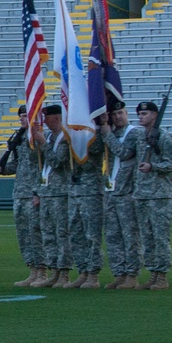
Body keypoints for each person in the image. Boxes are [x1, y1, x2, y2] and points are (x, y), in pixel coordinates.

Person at [0, 105, 45, 287]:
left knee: (36, 233)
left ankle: (42, 270)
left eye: (26, 116)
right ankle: (32, 270)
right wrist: (4, 169)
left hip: (34, 192)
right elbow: (18, 164)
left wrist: (38, 192)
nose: (23, 119)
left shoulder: (39, 137)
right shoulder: (20, 138)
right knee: (23, 234)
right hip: (20, 192)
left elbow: (44, 166)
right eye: (21, 116)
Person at [131, 100, 172, 290]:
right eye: (140, 114)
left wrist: (153, 167)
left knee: (159, 237)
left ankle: (162, 276)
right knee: (147, 237)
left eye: (145, 114)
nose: (141, 117)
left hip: (159, 196)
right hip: (142, 194)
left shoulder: (164, 137)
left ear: (155, 116)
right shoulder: (141, 137)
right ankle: (152, 273)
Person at [97, 99, 142, 288]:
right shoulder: (111, 133)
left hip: (126, 193)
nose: (117, 117)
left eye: (120, 113)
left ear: (127, 113)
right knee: (113, 236)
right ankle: (119, 273)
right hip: (111, 191)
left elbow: (124, 153)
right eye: (114, 114)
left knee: (130, 235)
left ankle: (132, 274)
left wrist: (107, 134)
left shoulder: (134, 133)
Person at [31, 104, 72, 287]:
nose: (44, 121)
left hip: (60, 193)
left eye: (47, 118)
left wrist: (44, 144)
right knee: (48, 235)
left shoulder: (65, 138)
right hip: (47, 193)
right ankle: (53, 270)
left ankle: (64, 273)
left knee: (61, 234)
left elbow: (57, 162)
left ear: (56, 118)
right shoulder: (48, 137)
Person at [66, 110, 105, 289]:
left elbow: (94, 155)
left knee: (92, 235)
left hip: (91, 192)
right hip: (75, 192)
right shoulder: (73, 135)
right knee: (76, 234)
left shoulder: (93, 135)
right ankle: (82, 271)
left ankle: (93, 274)